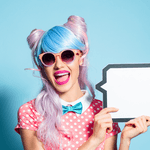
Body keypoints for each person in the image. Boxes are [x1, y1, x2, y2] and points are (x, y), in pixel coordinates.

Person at [15, 15, 150, 150]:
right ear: (42, 66)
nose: (59, 65)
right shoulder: (30, 111)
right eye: (49, 58)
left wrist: (125, 140)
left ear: (81, 57)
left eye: (67, 55)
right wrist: (95, 140)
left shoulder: (104, 111)